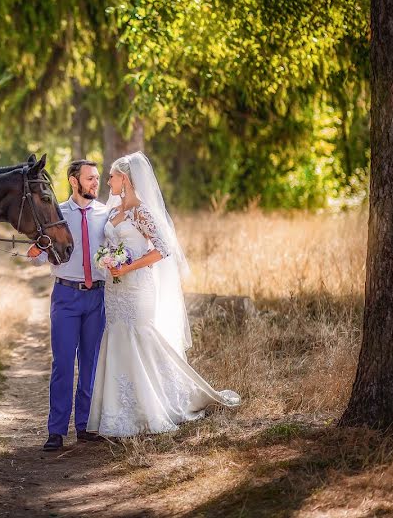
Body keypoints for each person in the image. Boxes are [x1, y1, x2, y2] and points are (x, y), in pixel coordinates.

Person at [86, 152, 240, 437]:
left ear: (126, 179)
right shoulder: (113, 211)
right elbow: (106, 242)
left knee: (140, 337)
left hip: (137, 287)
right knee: (117, 336)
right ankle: (119, 411)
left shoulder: (141, 212)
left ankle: (156, 405)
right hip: (114, 289)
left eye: (112, 176)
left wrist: (128, 266)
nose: (108, 181)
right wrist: (107, 260)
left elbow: (162, 249)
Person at [28, 160, 110, 451]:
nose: (95, 184)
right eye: (90, 179)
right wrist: (37, 248)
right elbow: (38, 258)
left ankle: (85, 425)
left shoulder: (107, 214)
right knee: (63, 364)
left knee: (90, 363)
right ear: (74, 181)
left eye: (97, 178)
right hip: (66, 296)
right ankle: (56, 431)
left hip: (97, 297)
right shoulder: (58, 213)